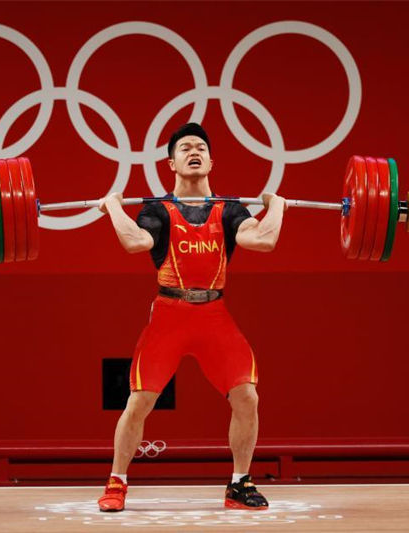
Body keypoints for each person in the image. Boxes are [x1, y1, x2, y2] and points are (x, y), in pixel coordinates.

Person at [96, 123, 287, 512]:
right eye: (185, 148)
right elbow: (135, 243)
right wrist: (113, 206)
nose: (193, 151)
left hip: (214, 315)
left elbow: (263, 240)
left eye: (200, 146)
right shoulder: (157, 210)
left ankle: (239, 484)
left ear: (211, 160)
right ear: (172, 163)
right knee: (140, 401)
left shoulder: (230, 210)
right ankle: (117, 482)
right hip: (170, 315)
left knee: (247, 396)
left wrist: (277, 206)